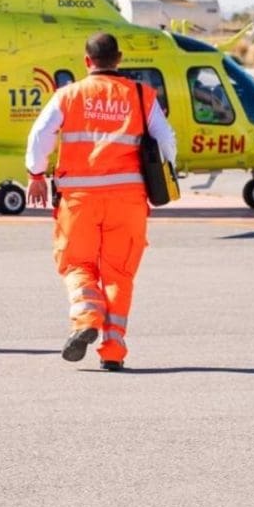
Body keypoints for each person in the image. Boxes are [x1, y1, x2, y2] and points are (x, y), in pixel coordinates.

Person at [25, 32, 176, 371]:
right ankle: (112, 351)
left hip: (79, 200)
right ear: (119, 58)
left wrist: (36, 175)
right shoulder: (142, 95)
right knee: (119, 273)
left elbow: (40, 135)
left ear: (86, 61)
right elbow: (166, 141)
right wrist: (163, 173)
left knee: (77, 264)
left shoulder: (68, 95)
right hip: (128, 200)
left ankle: (85, 319)